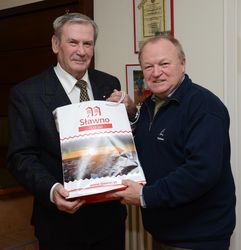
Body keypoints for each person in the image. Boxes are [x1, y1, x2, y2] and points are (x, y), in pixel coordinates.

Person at [7, 13, 127, 250]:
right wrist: (52, 190)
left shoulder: (108, 83)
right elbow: (20, 157)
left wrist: (130, 113)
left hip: (109, 219)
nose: (81, 51)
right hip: (60, 225)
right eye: (73, 42)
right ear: (55, 44)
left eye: (88, 43)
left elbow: (119, 141)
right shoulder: (26, 94)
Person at [108, 34, 236, 250]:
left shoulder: (204, 107)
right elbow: (149, 149)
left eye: (164, 64)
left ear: (183, 64)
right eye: (148, 66)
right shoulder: (151, 104)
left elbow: (200, 171)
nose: (156, 73)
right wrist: (129, 115)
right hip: (165, 232)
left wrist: (143, 195)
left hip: (198, 237)